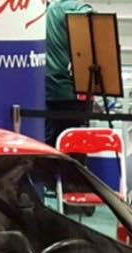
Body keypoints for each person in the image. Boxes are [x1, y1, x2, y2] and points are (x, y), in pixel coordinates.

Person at [45, 0, 93, 146]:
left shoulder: (49, 10)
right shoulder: (72, 7)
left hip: (47, 89)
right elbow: (94, 19)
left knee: (51, 144)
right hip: (69, 91)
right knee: (74, 145)